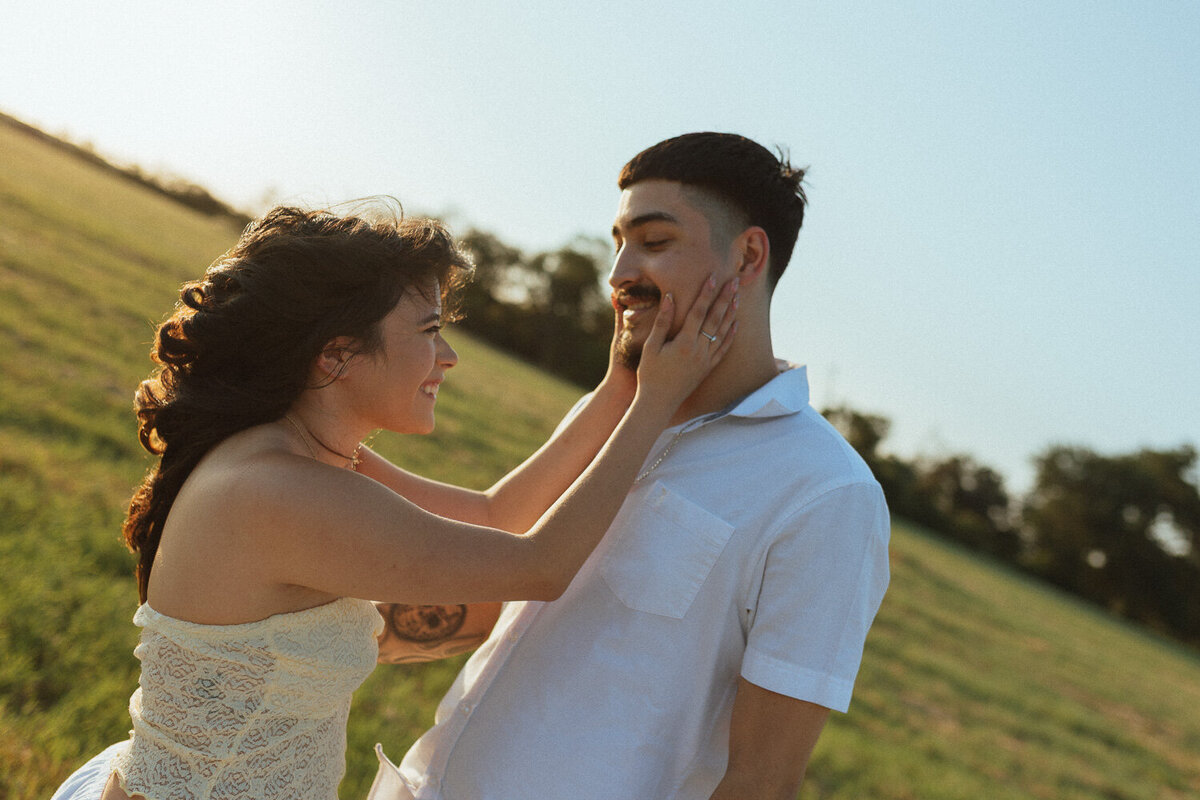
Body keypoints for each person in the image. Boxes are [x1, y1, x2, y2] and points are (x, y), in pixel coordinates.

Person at [49, 201, 738, 800]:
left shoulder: (301, 451)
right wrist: (656, 401)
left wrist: (620, 384)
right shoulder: (282, 493)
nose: (448, 359)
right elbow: (541, 564)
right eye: (429, 331)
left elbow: (494, 515)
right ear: (338, 355)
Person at [369, 133, 892, 800]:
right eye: (618, 241)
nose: (618, 273)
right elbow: (497, 532)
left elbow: (762, 779)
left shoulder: (826, 493)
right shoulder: (617, 403)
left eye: (653, 241)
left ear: (748, 255)